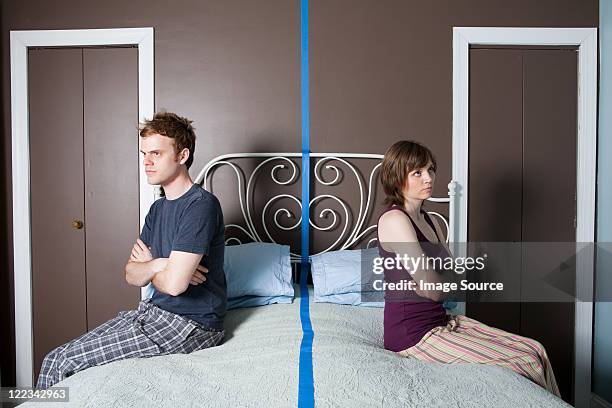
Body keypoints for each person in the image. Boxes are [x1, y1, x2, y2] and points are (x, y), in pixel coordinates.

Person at [37, 112, 227, 389]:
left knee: (62, 362)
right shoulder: (158, 208)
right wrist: (161, 264)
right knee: (55, 359)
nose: (146, 162)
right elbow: (131, 274)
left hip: (192, 325)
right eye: (144, 153)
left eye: (156, 154)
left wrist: (156, 269)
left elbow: (174, 286)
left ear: (182, 155)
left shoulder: (200, 206)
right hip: (153, 313)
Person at [376, 140, 560, 397]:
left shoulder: (430, 220)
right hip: (413, 336)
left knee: (535, 350)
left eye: (430, 169)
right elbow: (436, 290)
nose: (428, 178)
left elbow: (452, 279)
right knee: (524, 363)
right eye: (417, 172)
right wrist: (438, 283)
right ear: (396, 177)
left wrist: (437, 282)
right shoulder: (395, 219)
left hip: (440, 321)